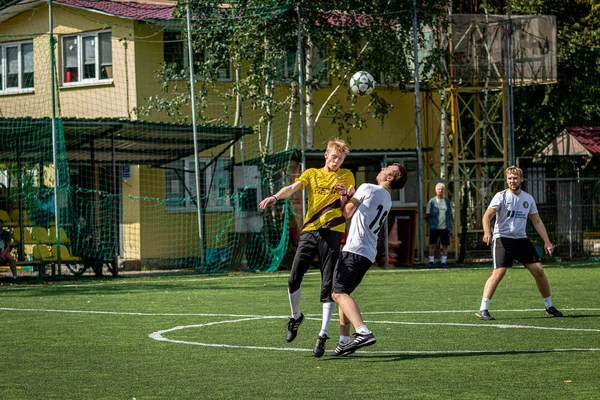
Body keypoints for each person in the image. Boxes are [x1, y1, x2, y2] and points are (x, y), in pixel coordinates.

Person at [258, 138, 355, 358]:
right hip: (310, 230)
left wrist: (344, 194)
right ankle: (295, 317)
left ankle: (322, 335)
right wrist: (275, 196)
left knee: (327, 283)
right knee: (293, 278)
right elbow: (293, 187)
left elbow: (346, 206)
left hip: (332, 231)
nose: (336, 161)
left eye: (340, 158)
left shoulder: (346, 175)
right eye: (334, 157)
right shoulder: (311, 173)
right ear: (326, 155)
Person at [330, 163, 407, 356]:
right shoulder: (387, 199)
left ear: (390, 178)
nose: (382, 168)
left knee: (337, 294)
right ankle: (343, 341)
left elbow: (346, 212)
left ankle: (362, 331)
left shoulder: (367, 188)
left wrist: (344, 195)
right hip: (367, 253)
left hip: (355, 249)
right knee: (343, 293)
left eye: (388, 168)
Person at [476, 166, 563, 321]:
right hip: (502, 238)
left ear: (521, 179)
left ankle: (549, 306)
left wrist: (547, 242)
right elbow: (487, 216)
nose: (512, 181)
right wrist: (487, 232)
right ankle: (483, 309)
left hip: (521, 239)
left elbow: (537, 221)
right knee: (499, 272)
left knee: (539, 270)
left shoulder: (528, 199)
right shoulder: (500, 196)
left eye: (515, 178)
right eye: (509, 178)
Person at [425, 182, 453, 268]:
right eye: (439, 189)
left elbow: (450, 214)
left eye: (442, 189)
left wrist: (450, 225)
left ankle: (443, 262)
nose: (440, 190)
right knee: (432, 244)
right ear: (436, 190)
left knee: (445, 245)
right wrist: (430, 224)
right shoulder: (432, 202)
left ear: (444, 190)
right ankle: (431, 261)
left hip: (445, 227)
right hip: (434, 227)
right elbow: (427, 214)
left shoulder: (447, 202)